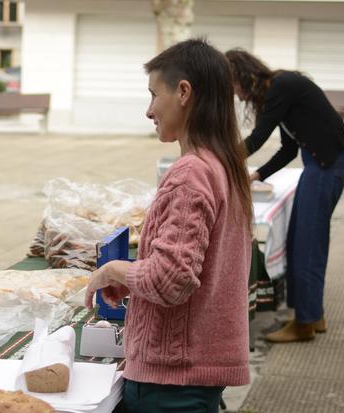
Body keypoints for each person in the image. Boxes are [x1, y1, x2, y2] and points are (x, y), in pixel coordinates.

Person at [84, 39, 253, 413]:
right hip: (196, 373)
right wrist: (132, 279)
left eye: (152, 95)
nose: (148, 111)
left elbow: (171, 278)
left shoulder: (191, 173)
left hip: (171, 382)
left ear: (183, 92)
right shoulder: (224, 165)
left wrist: (114, 269)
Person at [226, 49, 344, 343]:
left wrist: (222, 160)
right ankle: (313, 315)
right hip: (321, 164)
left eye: (233, 85)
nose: (238, 96)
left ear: (242, 74)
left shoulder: (281, 87)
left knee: (307, 243)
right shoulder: (281, 91)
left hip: (326, 165)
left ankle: (304, 324)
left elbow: (258, 138)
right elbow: (288, 150)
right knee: (304, 239)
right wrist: (255, 176)